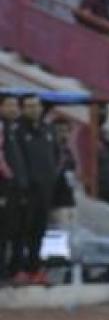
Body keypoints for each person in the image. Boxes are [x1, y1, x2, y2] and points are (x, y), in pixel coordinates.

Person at [15, 93, 59, 284]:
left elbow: (55, 155)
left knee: (39, 231)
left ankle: (35, 269)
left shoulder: (47, 129)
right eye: (29, 106)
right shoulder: (15, 130)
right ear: (22, 108)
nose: (34, 109)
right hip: (24, 191)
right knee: (20, 230)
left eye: (36, 105)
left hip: (45, 190)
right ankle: (17, 269)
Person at [0, 94, 27, 283]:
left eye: (15, 105)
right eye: (9, 105)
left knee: (15, 230)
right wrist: (10, 177)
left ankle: (12, 270)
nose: (13, 109)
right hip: (5, 187)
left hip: (16, 189)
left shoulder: (14, 129)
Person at [50, 117, 77, 227]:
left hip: (69, 200)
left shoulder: (68, 151)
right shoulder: (50, 151)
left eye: (66, 131)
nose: (64, 135)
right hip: (55, 201)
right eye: (60, 131)